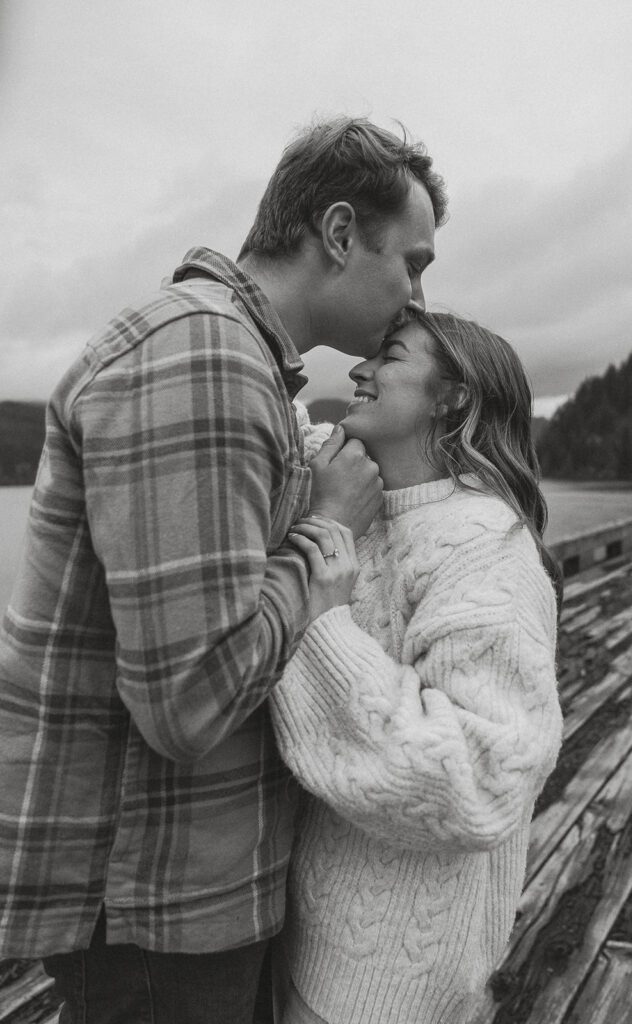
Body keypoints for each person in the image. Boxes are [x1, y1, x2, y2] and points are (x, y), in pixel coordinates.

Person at [0, 118, 447, 1024]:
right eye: (413, 261)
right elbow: (189, 699)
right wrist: (325, 533)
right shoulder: (203, 355)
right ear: (336, 233)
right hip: (157, 900)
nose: (415, 298)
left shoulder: (237, 359)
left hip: (188, 890)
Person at [270, 312, 564, 1024]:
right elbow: (271, 416)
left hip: (386, 981)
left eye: (389, 357)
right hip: (302, 929)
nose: (359, 372)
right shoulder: (364, 500)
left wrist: (319, 623)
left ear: (451, 398)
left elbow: (479, 779)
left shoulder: (483, 547)